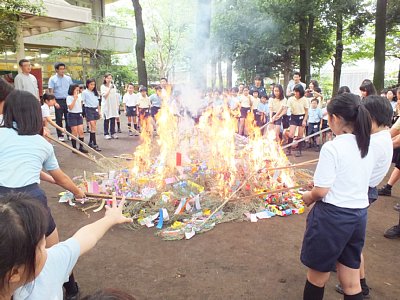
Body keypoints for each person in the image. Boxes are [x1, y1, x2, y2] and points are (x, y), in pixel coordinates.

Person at [0, 90, 86, 299]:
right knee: (53, 248)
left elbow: (23, 167)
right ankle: (71, 289)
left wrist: (50, 179)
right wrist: (78, 191)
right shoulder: (41, 144)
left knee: (6, 247)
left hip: (2, 199)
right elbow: (60, 177)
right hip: (32, 198)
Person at [301, 92, 373, 300]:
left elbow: (321, 191)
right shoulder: (366, 144)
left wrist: (309, 196)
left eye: (328, 117)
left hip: (332, 219)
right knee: (351, 283)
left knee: (317, 277)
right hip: (358, 216)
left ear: (336, 119)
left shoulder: (332, 147)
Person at [0, 193, 132, 300]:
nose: (47, 249)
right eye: (41, 247)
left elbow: (84, 237)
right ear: (15, 273)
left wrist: (110, 219)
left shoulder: (49, 265)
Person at [334, 95, 393, 298]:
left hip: (361, 192)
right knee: (352, 241)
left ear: (372, 119)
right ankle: (360, 282)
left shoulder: (374, 143)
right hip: (366, 190)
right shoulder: (382, 137)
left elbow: (353, 169)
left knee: (350, 243)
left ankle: (358, 284)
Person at [48, 62, 73, 142]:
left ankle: (69, 134)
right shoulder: (52, 79)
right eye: (60, 69)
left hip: (67, 100)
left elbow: (71, 89)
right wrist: (54, 102)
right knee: (59, 118)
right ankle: (60, 135)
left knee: (68, 117)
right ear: (56, 70)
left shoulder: (68, 78)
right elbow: (51, 92)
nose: (62, 71)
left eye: (63, 69)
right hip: (58, 100)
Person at [286, 84, 309, 157]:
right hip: (293, 116)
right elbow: (287, 108)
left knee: (300, 134)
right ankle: (288, 149)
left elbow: (306, 111)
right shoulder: (290, 99)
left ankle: (299, 151)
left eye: (297, 92)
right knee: (291, 134)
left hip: (302, 117)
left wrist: (304, 120)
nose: (295, 93)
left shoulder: (304, 99)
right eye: (294, 91)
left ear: (300, 92)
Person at [67, 84, 89, 154]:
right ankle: (74, 148)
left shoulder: (80, 96)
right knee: (74, 132)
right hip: (72, 114)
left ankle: (81, 147)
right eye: (76, 89)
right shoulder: (69, 97)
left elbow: (82, 103)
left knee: (81, 131)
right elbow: (70, 107)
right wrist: (74, 99)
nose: (77, 91)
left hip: (79, 114)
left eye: (78, 89)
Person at [82, 79, 101, 151]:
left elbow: (98, 103)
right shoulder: (84, 92)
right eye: (91, 84)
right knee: (93, 125)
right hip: (88, 109)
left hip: (95, 109)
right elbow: (82, 102)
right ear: (87, 84)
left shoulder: (95, 92)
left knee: (93, 127)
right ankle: (95, 144)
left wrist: (99, 111)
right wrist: (81, 112)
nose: (92, 86)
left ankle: (91, 142)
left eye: (94, 84)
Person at [101, 73, 119, 140]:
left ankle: (113, 133)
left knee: (113, 119)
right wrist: (109, 88)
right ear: (105, 78)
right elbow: (105, 96)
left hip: (113, 105)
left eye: (110, 78)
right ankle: (106, 133)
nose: (109, 79)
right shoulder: (103, 86)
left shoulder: (114, 86)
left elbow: (115, 96)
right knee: (106, 119)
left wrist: (117, 105)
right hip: (106, 105)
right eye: (108, 78)